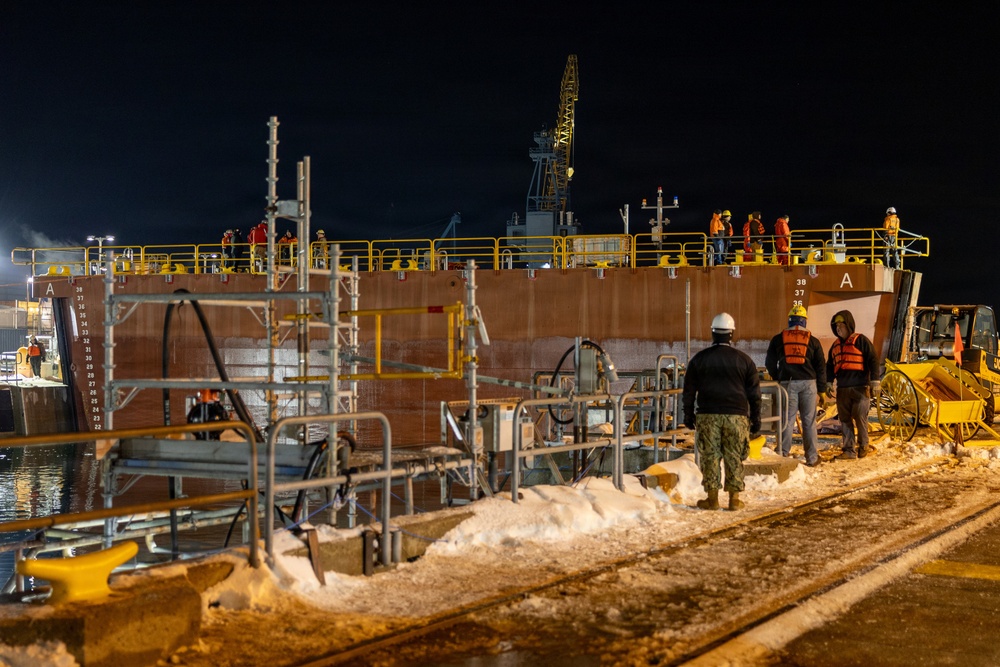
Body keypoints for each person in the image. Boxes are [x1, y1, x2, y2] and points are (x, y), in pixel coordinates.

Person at [682, 312, 762, 511]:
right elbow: (754, 393)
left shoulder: (699, 359)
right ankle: (734, 500)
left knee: (710, 456)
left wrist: (688, 413)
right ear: (731, 334)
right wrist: (756, 418)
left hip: (707, 414)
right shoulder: (744, 360)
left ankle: (712, 499)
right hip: (737, 415)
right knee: (734, 455)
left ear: (713, 333)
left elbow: (689, 390)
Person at [765, 305, 826, 466]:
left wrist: (779, 377)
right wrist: (822, 390)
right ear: (805, 321)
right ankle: (812, 458)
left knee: (787, 420)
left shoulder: (778, 339)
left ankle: (783, 455)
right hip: (809, 384)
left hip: (788, 383)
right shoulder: (813, 341)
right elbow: (820, 367)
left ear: (789, 320)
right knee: (809, 422)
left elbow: (769, 363)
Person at [826, 310, 880, 460]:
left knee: (860, 416)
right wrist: (828, 382)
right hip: (842, 389)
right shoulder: (835, 345)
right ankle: (849, 450)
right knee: (844, 420)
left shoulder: (861, 340)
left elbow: (873, 360)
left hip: (861, 388)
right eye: (836, 326)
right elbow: (830, 365)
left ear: (848, 325)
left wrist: (875, 381)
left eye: (841, 325)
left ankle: (864, 445)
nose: (838, 328)